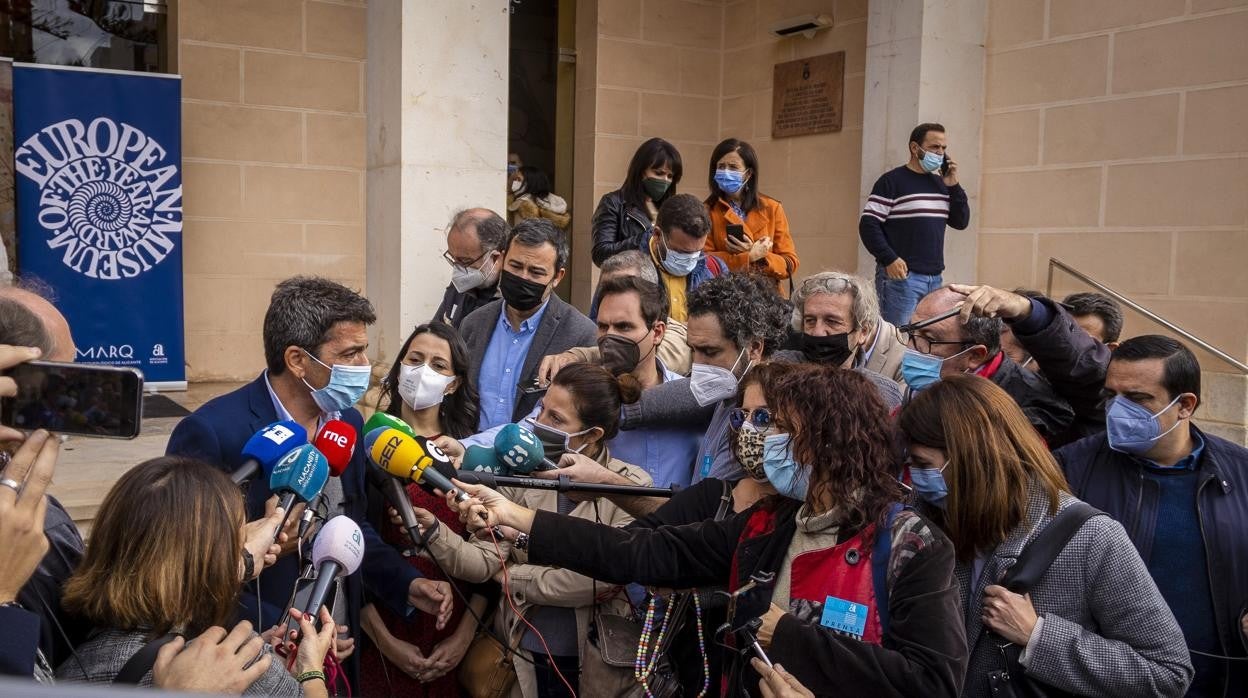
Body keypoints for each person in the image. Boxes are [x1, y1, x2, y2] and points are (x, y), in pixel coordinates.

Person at [452, 365, 968, 697]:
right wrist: (517, 517)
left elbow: (934, 681)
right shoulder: (769, 524)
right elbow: (644, 551)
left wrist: (786, 634)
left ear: (831, 443)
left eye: (779, 429)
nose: (761, 440)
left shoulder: (910, 546)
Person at [166, 276, 453, 689]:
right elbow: (183, 563)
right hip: (251, 655)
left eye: (365, 350)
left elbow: (350, 526)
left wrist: (406, 583)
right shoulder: (212, 431)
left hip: (335, 646)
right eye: (350, 353)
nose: (365, 367)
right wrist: (273, 625)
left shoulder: (349, 423)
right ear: (298, 360)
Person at [899, 375, 1193, 698]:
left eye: (923, 464)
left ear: (971, 458)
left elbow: (1168, 672)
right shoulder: (920, 520)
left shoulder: (1091, 538)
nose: (916, 478)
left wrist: (1039, 636)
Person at [420, 362, 652, 698]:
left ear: (591, 435)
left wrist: (511, 578)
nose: (539, 425)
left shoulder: (631, 487)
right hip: (518, 660)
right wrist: (435, 533)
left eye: (556, 420)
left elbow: (591, 581)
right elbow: (483, 562)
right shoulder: (518, 476)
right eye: (542, 410)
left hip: (597, 664)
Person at [56, 456, 338, 695]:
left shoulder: (69, 667)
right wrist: (309, 671)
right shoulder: (241, 669)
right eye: (236, 540)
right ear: (214, 560)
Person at [360, 322, 489, 696]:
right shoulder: (369, 445)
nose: (422, 371)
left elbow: (492, 561)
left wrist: (463, 637)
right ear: (399, 368)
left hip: (454, 627)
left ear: (453, 384)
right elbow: (355, 550)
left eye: (438, 365)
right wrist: (386, 643)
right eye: (414, 360)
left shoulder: (467, 455)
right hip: (384, 627)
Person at [460, 218, 596, 430]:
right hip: (467, 454)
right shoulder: (473, 324)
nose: (523, 277)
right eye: (515, 266)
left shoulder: (581, 335)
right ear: (502, 259)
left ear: (557, 277)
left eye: (536, 272)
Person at [903, 287, 1074, 444]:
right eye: (911, 332)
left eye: (930, 339)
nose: (912, 347)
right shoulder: (933, 380)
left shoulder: (1026, 414)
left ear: (975, 355)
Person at [585, 275, 701, 487]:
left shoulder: (695, 398)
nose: (609, 337)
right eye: (602, 326)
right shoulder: (583, 394)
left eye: (623, 327)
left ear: (657, 333)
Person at [859, 123, 971, 326]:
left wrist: (953, 185)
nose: (940, 153)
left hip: (934, 278)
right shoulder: (891, 181)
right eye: (935, 147)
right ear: (914, 148)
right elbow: (868, 224)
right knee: (898, 338)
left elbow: (961, 221)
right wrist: (889, 258)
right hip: (901, 279)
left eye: (944, 148)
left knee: (925, 338)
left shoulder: (941, 184)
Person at [555, 249, 691, 376]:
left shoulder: (676, 338)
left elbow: (645, 358)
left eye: (624, 327)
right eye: (607, 288)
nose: (613, 295)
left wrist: (581, 356)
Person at [703, 138, 799, 295]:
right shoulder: (707, 210)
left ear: (748, 173)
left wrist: (761, 256)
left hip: (767, 299)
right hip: (725, 298)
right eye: (721, 166)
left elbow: (790, 263)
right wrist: (748, 256)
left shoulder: (771, 208)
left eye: (733, 167)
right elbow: (703, 260)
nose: (726, 172)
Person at [790, 271, 906, 383]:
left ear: (863, 332)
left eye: (832, 321)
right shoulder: (778, 375)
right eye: (810, 320)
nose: (817, 332)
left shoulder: (882, 393)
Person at [590, 137, 682, 266]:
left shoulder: (671, 209)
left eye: (670, 176)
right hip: (628, 283)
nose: (665, 180)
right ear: (641, 171)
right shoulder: (614, 203)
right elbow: (601, 254)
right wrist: (646, 239)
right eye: (658, 173)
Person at [645, 193, 727, 322]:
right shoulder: (628, 271)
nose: (690, 260)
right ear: (657, 235)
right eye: (681, 252)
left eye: (698, 252)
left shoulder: (715, 269)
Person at [433, 208, 510, 329]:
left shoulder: (513, 298)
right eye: (453, 259)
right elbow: (436, 332)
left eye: (465, 261)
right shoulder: (460, 285)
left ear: (496, 258)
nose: (458, 269)